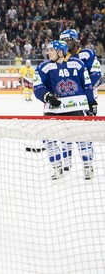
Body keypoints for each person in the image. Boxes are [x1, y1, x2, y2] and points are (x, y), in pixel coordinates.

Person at [33, 40, 96, 180]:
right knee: (49, 138)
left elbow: (87, 84)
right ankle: (57, 167)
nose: (48, 52)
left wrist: (91, 102)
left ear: (60, 52)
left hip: (77, 106)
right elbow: (37, 87)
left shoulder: (78, 64)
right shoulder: (44, 67)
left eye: (52, 50)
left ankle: (88, 166)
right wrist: (47, 96)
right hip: (54, 109)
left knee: (83, 137)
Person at [59, 29, 101, 174]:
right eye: (62, 41)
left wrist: (83, 90)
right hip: (68, 101)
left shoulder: (87, 54)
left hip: (86, 99)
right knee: (65, 132)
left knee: (84, 133)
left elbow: (96, 74)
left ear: (75, 40)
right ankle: (66, 162)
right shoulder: (63, 56)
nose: (64, 44)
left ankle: (87, 164)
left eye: (67, 40)